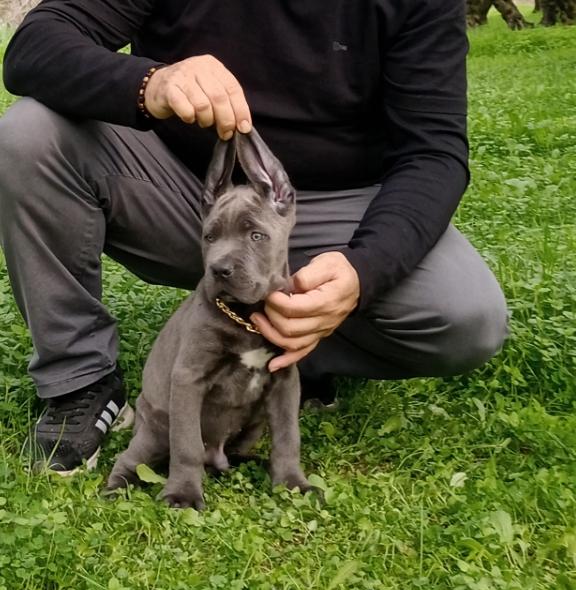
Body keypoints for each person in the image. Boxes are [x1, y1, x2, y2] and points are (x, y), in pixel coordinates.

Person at [0, 0, 508, 475]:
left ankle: (286, 351)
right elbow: (37, 43)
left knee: (464, 317)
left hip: (345, 208)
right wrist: (151, 82)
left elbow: (434, 151)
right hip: (189, 193)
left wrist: (365, 269)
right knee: (30, 135)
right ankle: (80, 380)